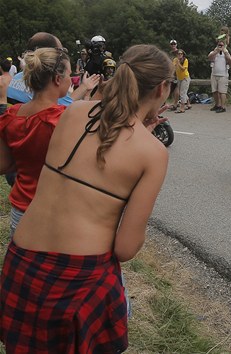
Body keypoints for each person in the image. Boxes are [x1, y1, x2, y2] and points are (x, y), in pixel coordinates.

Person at [0, 44, 171, 353]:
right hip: (79, 280)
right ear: (162, 88)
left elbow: (97, 144)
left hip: (22, 264)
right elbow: (125, 248)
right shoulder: (153, 153)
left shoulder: (74, 111)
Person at [0, 47, 74, 237]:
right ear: (58, 79)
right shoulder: (63, 121)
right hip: (53, 212)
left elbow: (4, 165)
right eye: (69, 76)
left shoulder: (12, 115)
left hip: (20, 209)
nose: (71, 80)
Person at [7, 32, 99, 106]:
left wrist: (84, 86)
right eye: (59, 51)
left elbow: (64, 103)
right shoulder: (46, 85)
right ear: (47, 53)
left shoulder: (17, 78)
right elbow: (67, 109)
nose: (61, 55)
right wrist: (99, 92)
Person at [208, 40, 231, 113]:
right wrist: (216, 51)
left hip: (223, 75)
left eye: (222, 45)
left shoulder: (226, 52)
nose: (220, 46)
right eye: (219, 45)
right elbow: (209, 57)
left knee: (222, 92)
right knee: (214, 91)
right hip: (214, 74)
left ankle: (223, 106)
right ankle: (217, 105)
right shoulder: (213, 52)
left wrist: (225, 52)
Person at [173, 49, 191, 113]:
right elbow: (173, 67)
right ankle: (188, 104)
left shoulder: (185, 60)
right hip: (179, 78)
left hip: (185, 78)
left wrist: (178, 63)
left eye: (181, 54)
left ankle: (182, 108)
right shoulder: (175, 60)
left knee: (182, 93)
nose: (179, 55)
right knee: (182, 92)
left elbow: (183, 69)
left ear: (183, 55)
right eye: (178, 54)